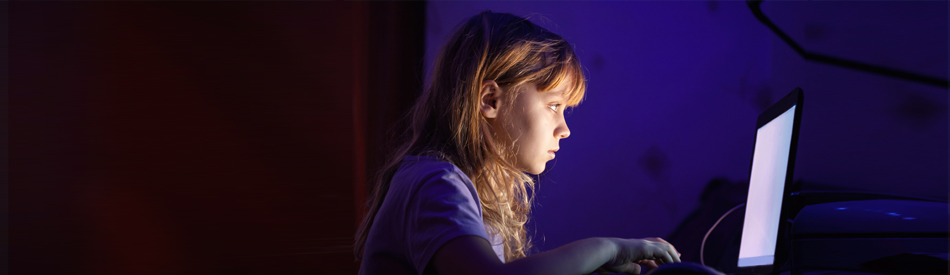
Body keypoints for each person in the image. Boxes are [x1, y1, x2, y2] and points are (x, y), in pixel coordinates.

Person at [354, 11, 683, 275]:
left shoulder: (465, 187)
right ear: (490, 100)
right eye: (554, 105)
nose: (565, 128)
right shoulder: (434, 184)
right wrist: (607, 248)